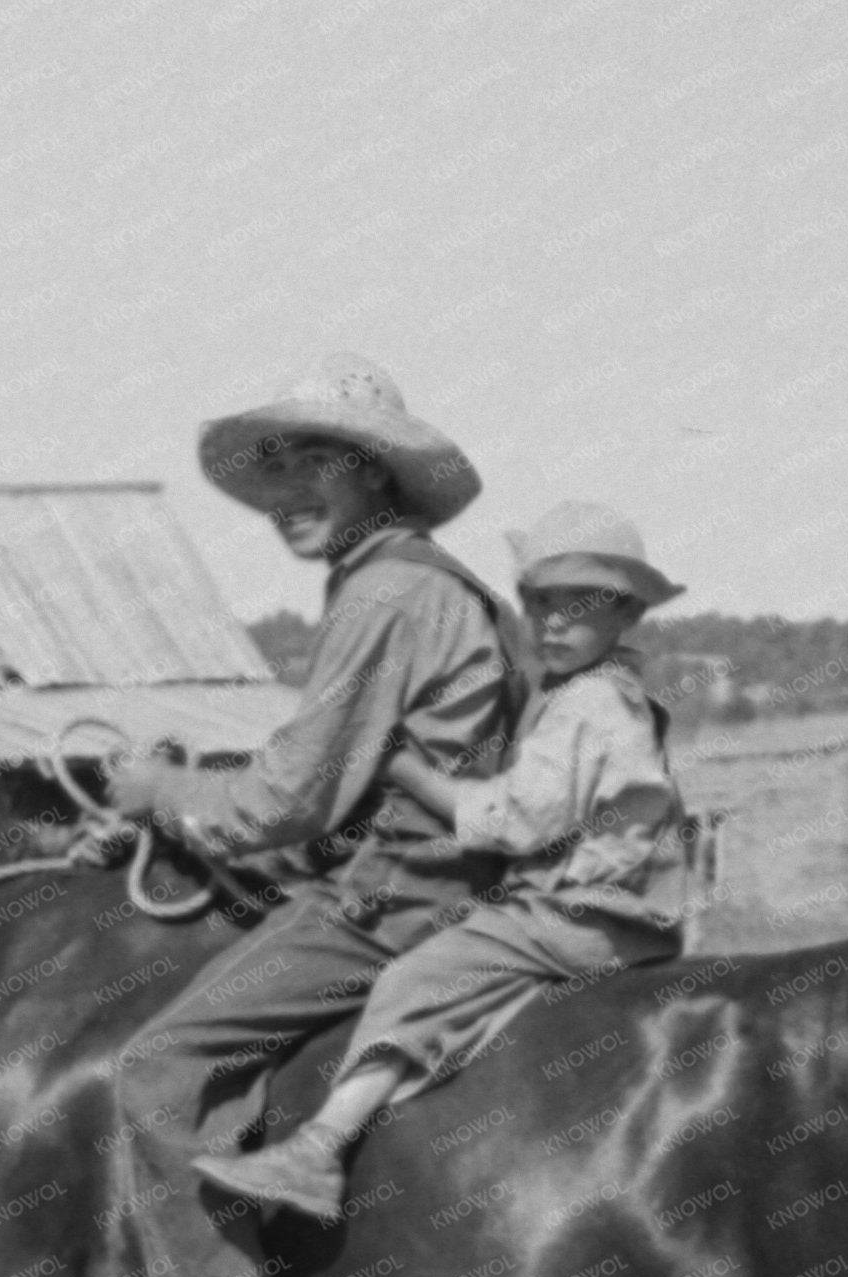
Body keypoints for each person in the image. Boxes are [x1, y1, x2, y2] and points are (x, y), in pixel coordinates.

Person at [86, 355, 535, 1277]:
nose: (289, 490)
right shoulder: (427, 584)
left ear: (378, 475)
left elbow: (291, 795)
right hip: (447, 878)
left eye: (316, 464)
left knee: (159, 1069)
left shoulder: (384, 596)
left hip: (398, 897)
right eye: (275, 470)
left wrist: (163, 800)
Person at [194, 501, 693, 1225]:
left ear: (624, 616)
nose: (551, 623)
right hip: (623, 910)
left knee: (417, 973)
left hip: (585, 911)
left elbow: (520, 820)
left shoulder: (587, 703)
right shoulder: (607, 694)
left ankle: (319, 1146)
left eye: (576, 608)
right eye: (540, 604)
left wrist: (406, 770)